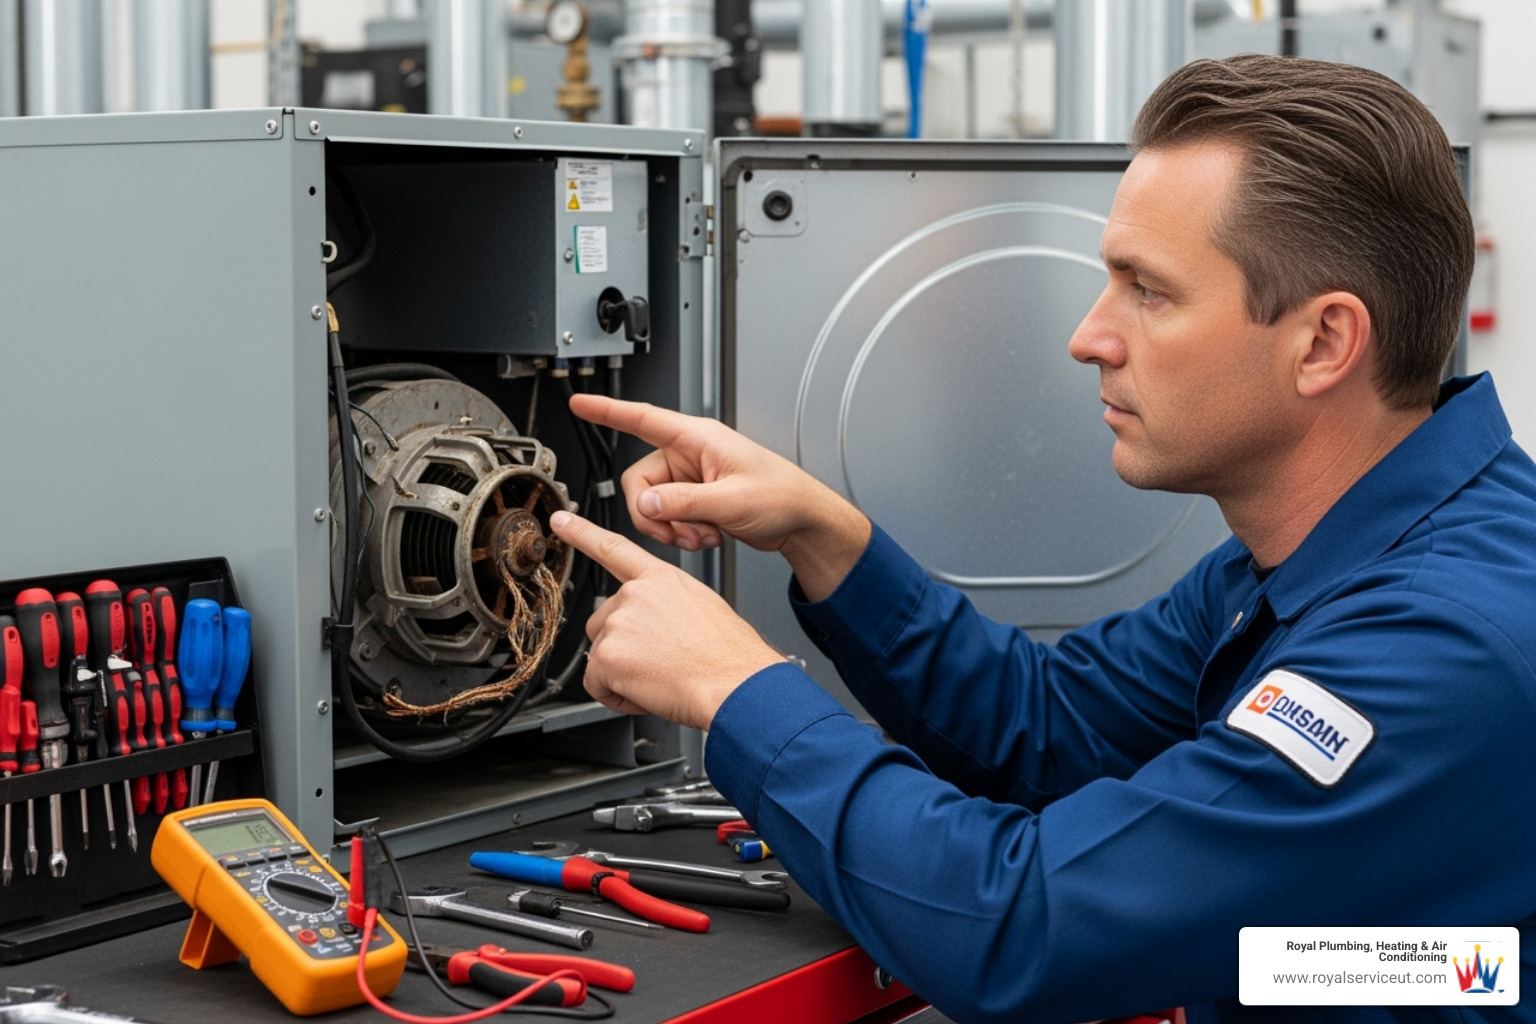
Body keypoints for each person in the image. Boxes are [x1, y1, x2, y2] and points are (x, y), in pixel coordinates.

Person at [547, 54, 1536, 1024]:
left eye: (1148, 291)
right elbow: (1054, 727)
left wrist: (733, 690)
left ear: (1322, 342)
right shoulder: (1306, 559)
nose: (1089, 335)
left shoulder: (1440, 646)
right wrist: (828, 537)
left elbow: (1023, 925)